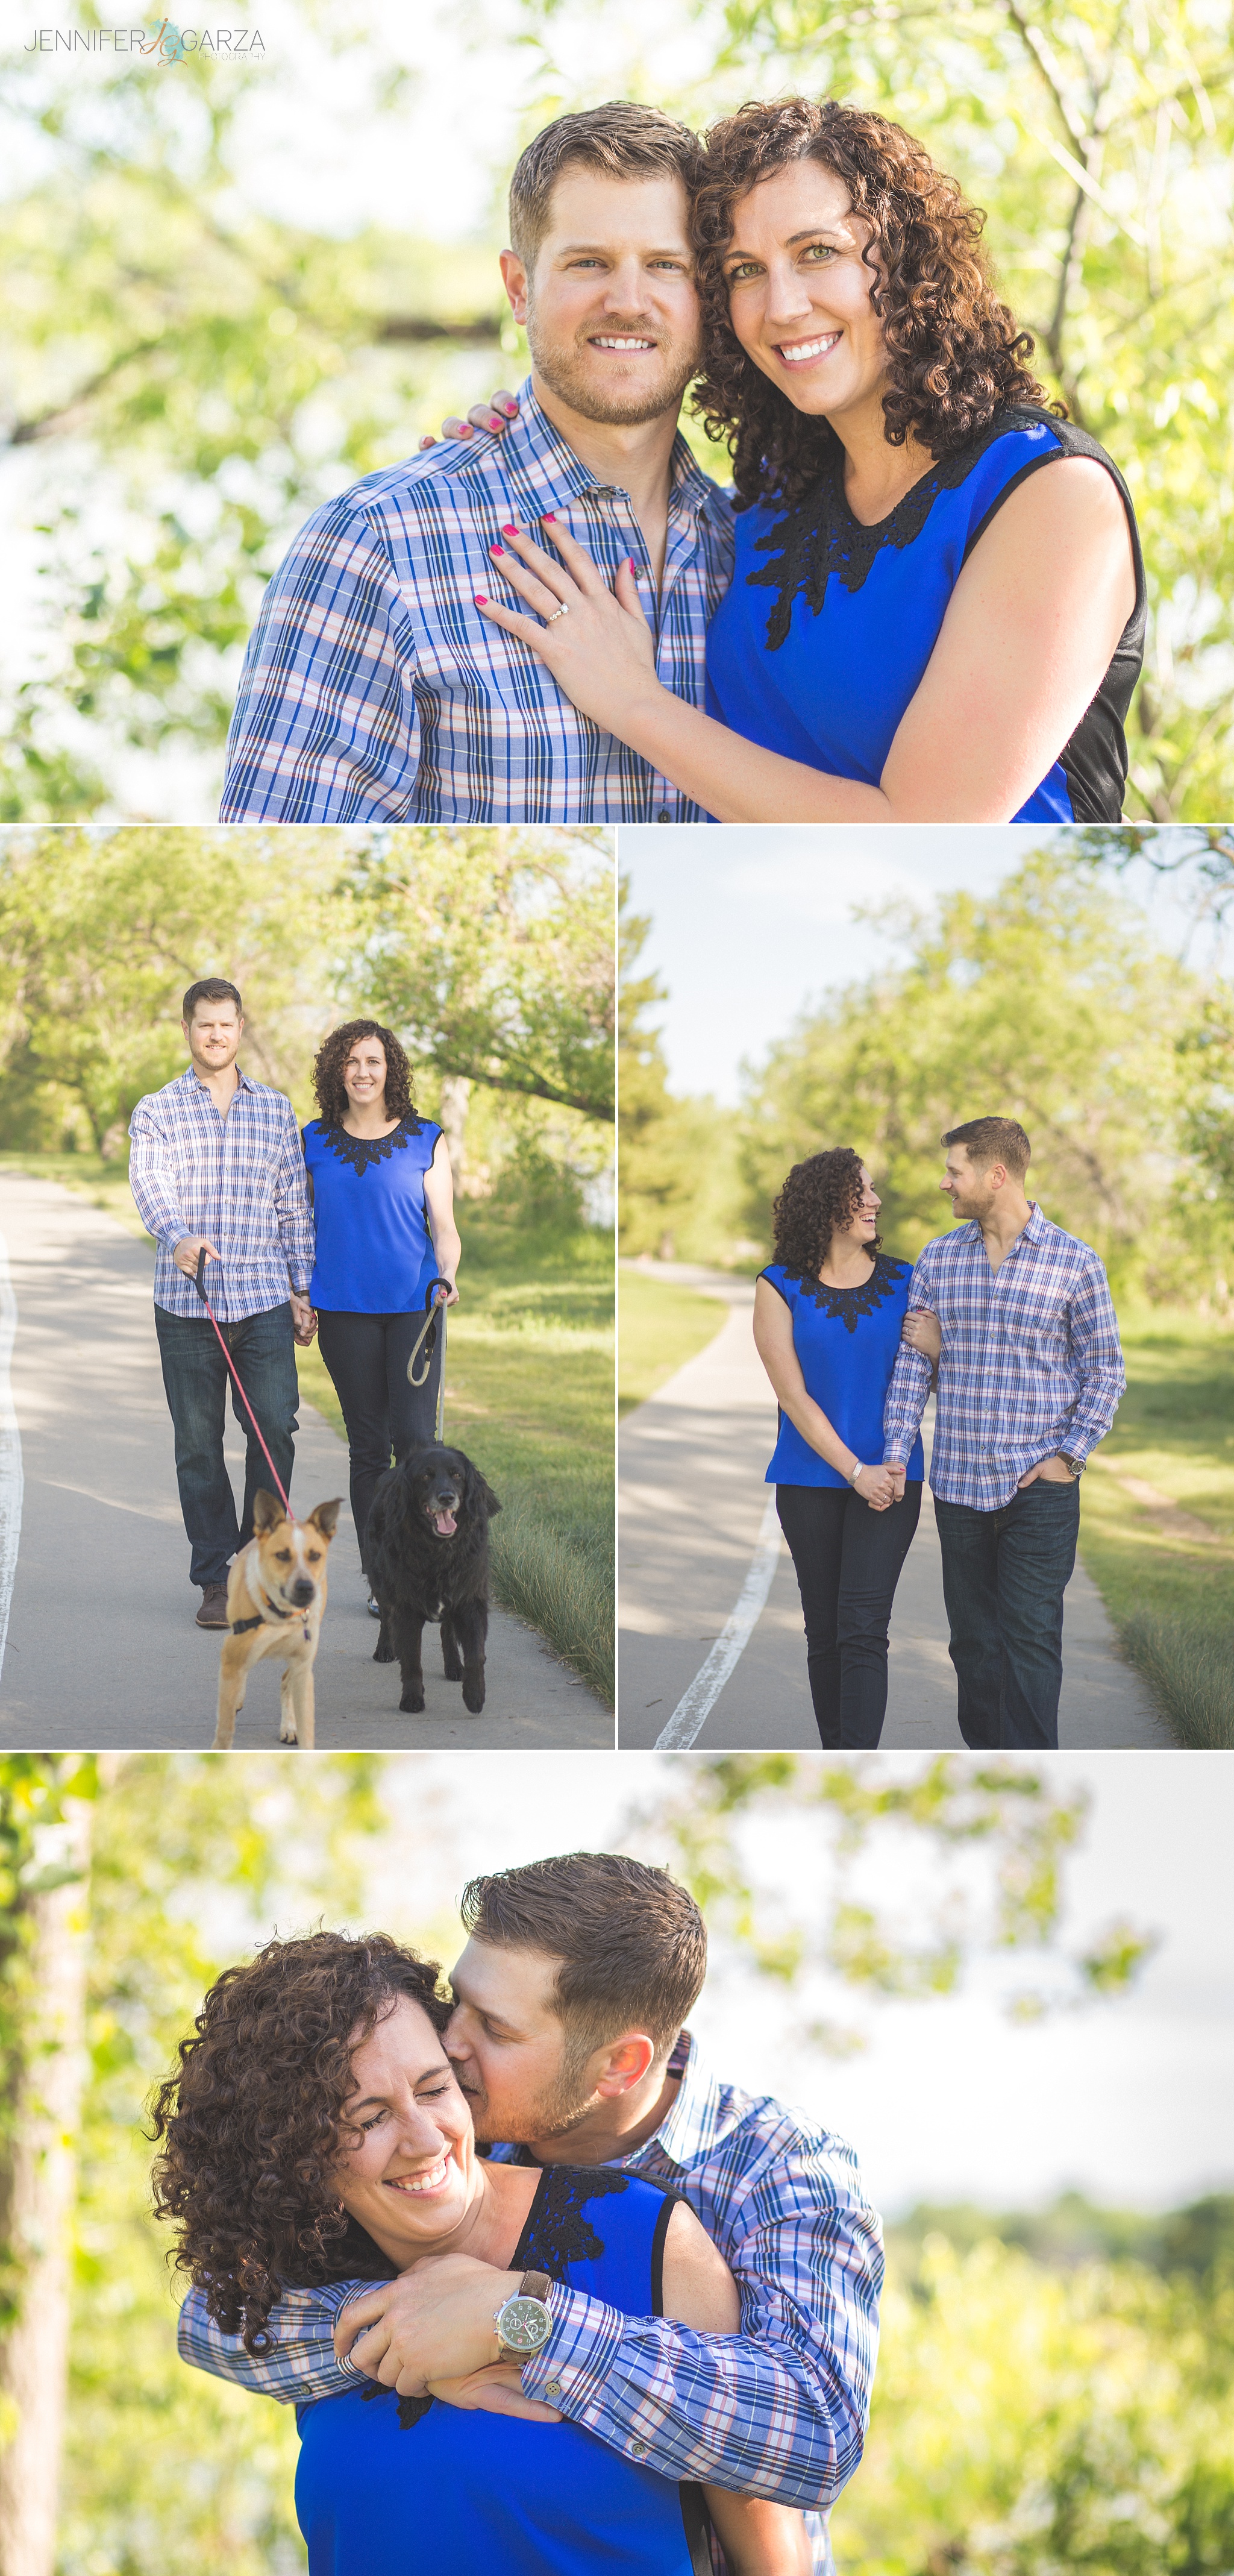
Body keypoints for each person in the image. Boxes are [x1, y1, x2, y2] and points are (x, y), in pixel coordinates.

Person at [175, 1851, 883, 2576]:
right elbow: (212, 2319)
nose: (450, 2043)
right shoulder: (447, 2134)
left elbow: (814, 2429)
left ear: (618, 2066)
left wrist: (520, 2326)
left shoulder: (775, 2167)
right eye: (459, 2002)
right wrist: (408, 2329)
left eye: (495, 2028)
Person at [470, 98, 1145, 824]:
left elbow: (925, 833)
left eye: (816, 252)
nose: (782, 306)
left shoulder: (1047, 495)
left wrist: (633, 701)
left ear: (904, 256)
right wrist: (509, 436)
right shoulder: (765, 501)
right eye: (742, 270)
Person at [219, 104, 731, 824]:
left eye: (664, 265)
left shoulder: (756, 550)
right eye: (588, 263)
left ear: (705, 293)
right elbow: (282, 876)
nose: (627, 301)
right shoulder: (377, 545)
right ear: (519, 289)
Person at [882, 1117, 1127, 1748]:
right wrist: (892, 1455)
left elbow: (1104, 1369)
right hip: (959, 1486)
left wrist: (1067, 1457)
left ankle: (1029, 1766)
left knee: (1029, 1636)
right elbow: (912, 1365)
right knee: (972, 1645)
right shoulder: (939, 1257)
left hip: (1038, 1487)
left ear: (995, 1175)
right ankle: (987, 1759)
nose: (944, 1183)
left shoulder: (1075, 1263)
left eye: (954, 1171)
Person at [128, 978, 315, 1629]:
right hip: (187, 1304)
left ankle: (255, 1561)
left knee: (275, 1430)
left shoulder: (274, 1110)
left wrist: (301, 1290)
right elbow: (149, 1181)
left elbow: (293, 1206)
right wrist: (177, 1237)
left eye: (225, 1024)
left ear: (240, 1028)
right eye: (204, 1024)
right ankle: (214, 1578)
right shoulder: (156, 1109)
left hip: (263, 1299)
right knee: (198, 1446)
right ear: (188, 1029)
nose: (215, 1035)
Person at [753, 1149, 924, 1747]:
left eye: (874, 1189)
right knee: (824, 1630)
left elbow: (942, 1372)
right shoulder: (777, 1287)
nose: (876, 1200)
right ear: (827, 1205)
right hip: (809, 1481)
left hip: (893, 1481)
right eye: (862, 1191)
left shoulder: (908, 1280)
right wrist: (853, 1469)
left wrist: (938, 1344)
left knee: (863, 1627)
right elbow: (792, 1394)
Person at [301, 1020, 461, 1612]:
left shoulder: (425, 1139)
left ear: (389, 1067)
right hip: (342, 1311)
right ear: (336, 1071)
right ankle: (382, 1580)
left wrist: (447, 1274)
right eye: (351, 1061)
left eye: (373, 1060)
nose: (363, 1071)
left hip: (415, 1310)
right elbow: (300, 1226)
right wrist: (298, 1291)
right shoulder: (312, 1141)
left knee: (416, 1444)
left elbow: (444, 1229)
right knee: (368, 1447)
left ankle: (427, 1574)